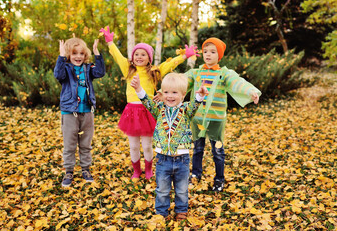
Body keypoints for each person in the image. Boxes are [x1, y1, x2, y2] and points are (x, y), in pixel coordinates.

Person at [99, 26, 199, 180]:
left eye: (143, 54)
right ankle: (136, 171)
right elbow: (118, 57)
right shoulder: (128, 69)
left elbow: (169, 65)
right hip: (131, 112)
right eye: (136, 54)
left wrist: (184, 56)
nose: (139, 57)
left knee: (146, 145)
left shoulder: (153, 72)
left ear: (149, 58)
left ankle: (148, 169)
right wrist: (110, 43)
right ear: (132, 57)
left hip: (147, 111)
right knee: (133, 146)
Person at [186, 37, 261, 192]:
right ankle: (195, 175)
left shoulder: (224, 73)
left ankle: (219, 179)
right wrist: (165, 91)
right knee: (197, 149)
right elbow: (181, 82)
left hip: (216, 121)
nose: (208, 54)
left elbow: (237, 82)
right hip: (197, 118)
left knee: (218, 151)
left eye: (213, 52)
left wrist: (251, 91)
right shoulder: (196, 73)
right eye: (205, 51)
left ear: (219, 55)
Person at [131, 73, 208, 220]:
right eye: (166, 92)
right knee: (162, 190)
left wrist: (200, 96)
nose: (169, 96)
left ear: (183, 95)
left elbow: (195, 105)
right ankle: (161, 212)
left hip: (182, 160)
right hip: (163, 159)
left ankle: (181, 211)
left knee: (182, 190)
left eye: (174, 92)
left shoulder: (185, 110)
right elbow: (147, 102)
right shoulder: (159, 109)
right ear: (161, 93)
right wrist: (139, 88)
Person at [54, 37, 106, 187]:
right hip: (69, 112)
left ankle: (85, 169)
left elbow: (100, 72)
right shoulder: (65, 69)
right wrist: (61, 57)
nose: (78, 57)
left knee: (85, 144)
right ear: (69, 55)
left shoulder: (88, 69)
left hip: (87, 111)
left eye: (81, 54)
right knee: (70, 145)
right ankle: (69, 170)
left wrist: (97, 54)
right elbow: (58, 75)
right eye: (74, 53)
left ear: (85, 55)